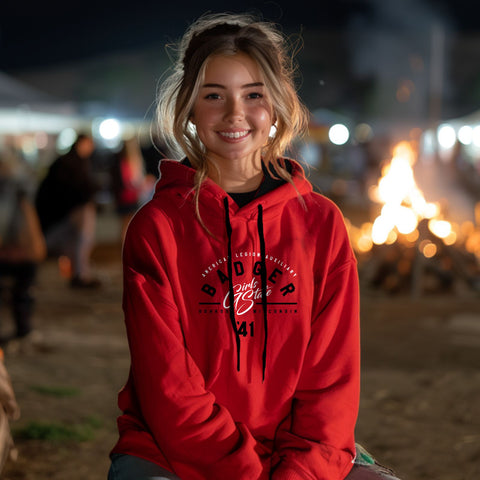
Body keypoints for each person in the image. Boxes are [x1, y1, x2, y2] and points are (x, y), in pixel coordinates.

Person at [108, 13, 401, 480]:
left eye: (253, 95)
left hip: (298, 452)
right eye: (214, 96)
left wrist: (296, 472)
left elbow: (332, 381)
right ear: (188, 107)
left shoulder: (321, 224)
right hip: (174, 450)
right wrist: (244, 472)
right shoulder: (157, 227)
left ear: (278, 106)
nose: (234, 115)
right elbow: (169, 388)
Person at [35, 133, 101, 288]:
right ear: (81, 143)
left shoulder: (71, 161)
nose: (91, 148)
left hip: (62, 211)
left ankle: (78, 274)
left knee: (75, 242)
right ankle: (80, 275)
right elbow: (73, 188)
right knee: (82, 240)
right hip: (69, 210)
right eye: (89, 144)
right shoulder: (72, 163)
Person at [0, 154, 46, 346]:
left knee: (22, 291)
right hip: (20, 253)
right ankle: (23, 328)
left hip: (17, 252)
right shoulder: (22, 190)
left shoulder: (15, 192)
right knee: (23, 291)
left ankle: (23, 328)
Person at [110, 137, 152, 243]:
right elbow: (129, 182)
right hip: (129, 197)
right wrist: (142, 185)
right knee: (128, 225)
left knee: (126, 224)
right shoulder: (128, 162)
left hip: (125, 197)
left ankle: (125, 248)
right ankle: (127, 248)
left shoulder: (122, 161)